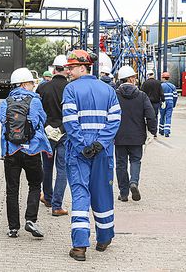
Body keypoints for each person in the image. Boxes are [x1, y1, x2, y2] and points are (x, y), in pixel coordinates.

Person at [62, 50, 121, 261]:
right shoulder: (108, 90)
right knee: (102, 191)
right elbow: (114, 121)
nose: (67, 71)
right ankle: (104, 238)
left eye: (71, 68)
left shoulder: (70, 89)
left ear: (82, 67)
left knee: (80, 193)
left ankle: (79, 246)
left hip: (79, 153)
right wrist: (99, 144)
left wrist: (81, 146)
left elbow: (70, 120)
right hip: (102, 151)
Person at [0, 67, 52, 239]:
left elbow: (2, 121)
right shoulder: (35, 101)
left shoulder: (5, 102)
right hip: (31, 151)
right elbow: (40, 120)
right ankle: (30, 219)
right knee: (35, 184)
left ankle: (13, 227)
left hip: (11, 151)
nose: (32, 86)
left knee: (12, 189)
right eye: (30, 83)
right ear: (23, 83)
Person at [114, 66, 157, 203]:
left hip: (119, 136)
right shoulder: (141, 95)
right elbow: (150, 115)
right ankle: (134, 182)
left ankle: (124, 193)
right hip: (137, 136)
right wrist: (153, 131)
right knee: (135, 160)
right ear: (131, 79)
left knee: (120, 164)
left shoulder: (114, 95)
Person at [36, 55, 69, 216]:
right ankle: (57, 206)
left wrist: (45, 127)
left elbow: (37, 111)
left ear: (54, 69)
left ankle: (47, 197)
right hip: (65, 133)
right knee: (62, 169)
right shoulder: (71, 88)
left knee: (47, 167)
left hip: (47, 132)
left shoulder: (43, 88)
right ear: (67, 69)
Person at [159, 72, 178, 137]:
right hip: (170, 103)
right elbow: (175, 96)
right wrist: (174, 104)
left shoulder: (161, 86)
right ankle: (167, 131)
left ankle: (161, 130)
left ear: (163, 78)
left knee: (162, 116)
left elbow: (159, 96)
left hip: (163, 103)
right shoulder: (172, 86)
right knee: (168, 117)